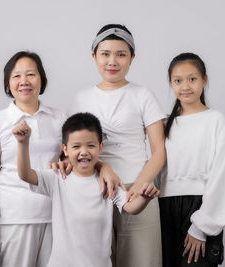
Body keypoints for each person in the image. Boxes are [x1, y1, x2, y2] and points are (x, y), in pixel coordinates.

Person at [69, 24, 166, 267]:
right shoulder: (81, 99)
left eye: (121, 54)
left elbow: (159, 152)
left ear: (132, 58)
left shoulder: (143, 95)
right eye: (105, 54)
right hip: (94, 192)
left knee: (142, 261)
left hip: (138, 188)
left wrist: (141, 186)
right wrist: (104, 168)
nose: (112, 61)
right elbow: (72, 151)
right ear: (94, 56)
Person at [14, 112, 160, 267]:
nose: (84, 151)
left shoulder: (107, 182)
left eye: (90, 145)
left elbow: (130, 208)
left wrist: (144, 198)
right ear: (65, 150)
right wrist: (23, 143)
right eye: (76, 146)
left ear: (100, 147)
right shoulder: (57, 178)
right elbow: (25, 174)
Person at [0, 51, 67, 267]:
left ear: (41, 80)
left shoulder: (60, 118)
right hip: (15, 217)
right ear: (8, 83)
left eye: (31, 74)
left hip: (57, 217)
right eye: (16, 76)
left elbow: (71, 162)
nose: (24, 81)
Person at [157, 52, 225, 267]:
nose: (185, 86)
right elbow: (155, 169)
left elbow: (221, 175)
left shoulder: (215, 120)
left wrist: (202, 225)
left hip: (200, 207)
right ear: (171, 83)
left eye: (192, 79)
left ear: (204, 80)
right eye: (178, 80)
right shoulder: (164, 124)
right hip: (164, 210)